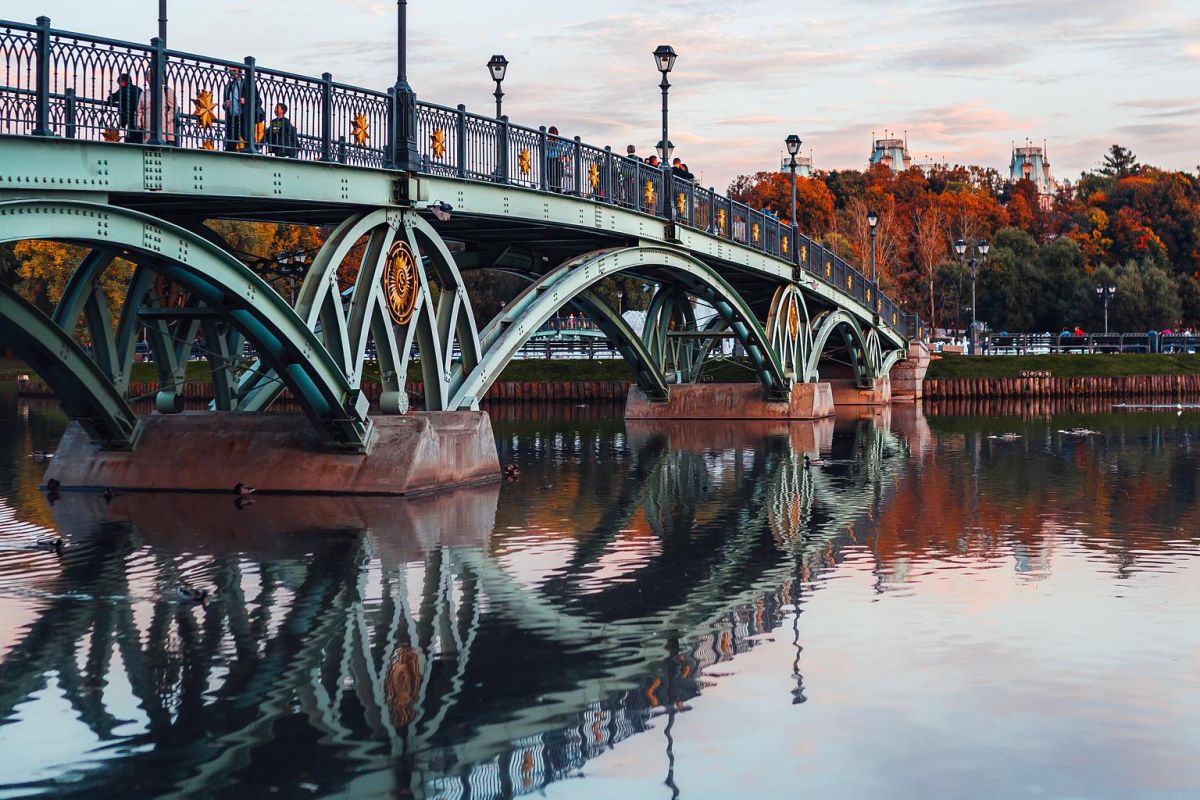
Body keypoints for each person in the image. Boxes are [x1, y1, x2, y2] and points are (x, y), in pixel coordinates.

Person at [136, 69, 175, 145]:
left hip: (163, 122)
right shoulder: (144, 93)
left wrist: (168, 118)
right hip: (147, 121)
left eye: (150, 77)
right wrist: (138, 122)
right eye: (148, 77)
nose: (149, 79)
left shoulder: (166, 91)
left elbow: (173, 107)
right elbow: (139, 110)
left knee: (162, 141)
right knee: (147, 142)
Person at [106, 73, 143, 143]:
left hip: (130, 118)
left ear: (123, 82)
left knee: (130, 138)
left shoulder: (124, 89)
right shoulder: (139, 89)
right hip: (140, 119)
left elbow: (111, 98)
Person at [545, 126, 572, 192]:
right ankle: (556, 190)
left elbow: (570, 144)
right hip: (553, 160)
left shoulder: (558, 141)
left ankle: (554, 190)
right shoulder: (549, 141)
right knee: (555, 177)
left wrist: (564, 154)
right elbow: (570, 144)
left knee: (554, 177)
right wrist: (565, 154)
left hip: (554, 160)